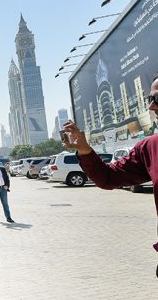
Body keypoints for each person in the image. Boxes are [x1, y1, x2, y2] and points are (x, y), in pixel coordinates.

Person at [62, 72, 158, 253]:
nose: (152, 106)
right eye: (150, 99)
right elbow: (107, 178)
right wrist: (85, 150)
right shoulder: (150, 147)